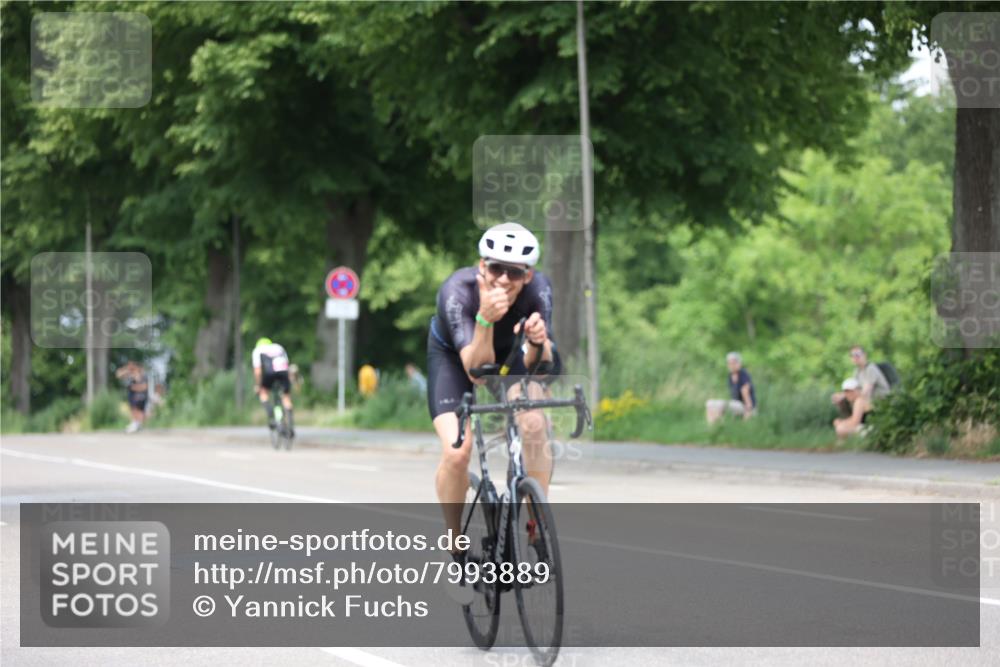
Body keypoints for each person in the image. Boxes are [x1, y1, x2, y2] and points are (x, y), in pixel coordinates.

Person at [427, 222, 560, 562]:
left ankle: (536, 522)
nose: (503, 279)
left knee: (534, 424)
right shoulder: (457, 291)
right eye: (496, 268)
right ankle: (455, 544)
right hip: (457, 359)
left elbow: (540, 367)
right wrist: (485, 320)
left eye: (513, 273)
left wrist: (537, 342)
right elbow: (476, 370)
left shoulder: (538, 292)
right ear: (482, 265)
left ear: (527, 276)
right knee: (458, 452)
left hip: (511, 353)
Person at [830, 345, 890, 417]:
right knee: (842, 401)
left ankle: (854, 424)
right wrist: (841, 396)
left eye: (857, 354)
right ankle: (850, 423)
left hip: (881, 402)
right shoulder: (857, 371)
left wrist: (845, 396)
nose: (855, 357)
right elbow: (853, 390)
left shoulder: (870, 369)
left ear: (864, 355)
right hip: (870, 401)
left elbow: (865, 393)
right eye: (852, 355)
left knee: (858, 402)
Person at [251, 337, 294, 436]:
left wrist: (258, 386)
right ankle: (290, 425)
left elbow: (257, 372)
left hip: (269, 374)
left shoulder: (258, 350)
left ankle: (271, 415)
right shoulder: (279, 347)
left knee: (263, 393)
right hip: (283, 373)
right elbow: (286, 364)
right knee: (286, 397)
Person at [705, 352, 757, 424]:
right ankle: (714, 427)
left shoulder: (743, 374)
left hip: (744, 406)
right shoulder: (730, 375)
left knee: (716, 405)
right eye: (729, 363)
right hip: (736, 404)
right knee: (710, 404)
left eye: (733, 363)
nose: (731, 365)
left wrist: (749, 408)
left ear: (739, 363)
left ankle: (716, 428)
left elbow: (745, 390)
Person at [115, 361, 148, 433]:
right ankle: (135, 424)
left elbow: (143, 385)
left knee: (138, 410)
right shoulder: (128, 373)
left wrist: (134, 386)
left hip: (139, 394)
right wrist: (126, 369)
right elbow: (118, 374)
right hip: (132, 394)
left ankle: (138, 425)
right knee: (133, 409)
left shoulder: (140, 373)